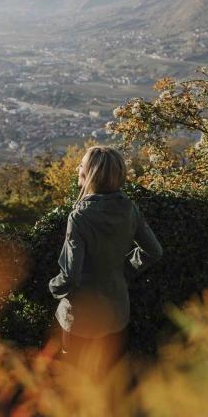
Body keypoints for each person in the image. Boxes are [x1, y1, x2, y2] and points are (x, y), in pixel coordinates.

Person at [48, 145, 162, 374]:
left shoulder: (79, 217)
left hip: (81, 316)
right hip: (116, 313)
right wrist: (124, 271)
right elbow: (154, 251)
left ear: (89, 173)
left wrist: (53, 286)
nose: (78, 167)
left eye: (81, 164)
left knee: (76, 378)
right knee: (108, 378)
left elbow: (70, 275)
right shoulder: (129, 208)